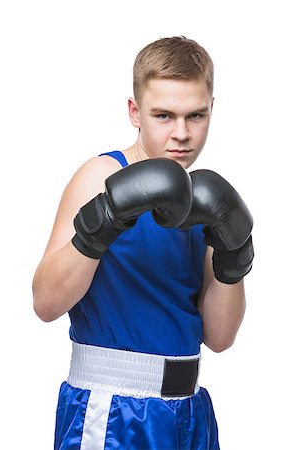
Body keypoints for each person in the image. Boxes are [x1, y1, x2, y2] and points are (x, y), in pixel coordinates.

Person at [32, 36, 254, 450]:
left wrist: (234, 254)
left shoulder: (205, 199)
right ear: (135, 112)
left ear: (211, 110)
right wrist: (104, 222)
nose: (182, 134)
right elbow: (45, 303)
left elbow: (220, 337)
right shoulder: (100, 175)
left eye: (196, 116)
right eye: (164, 115)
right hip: (113, 408)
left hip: (188, 410)